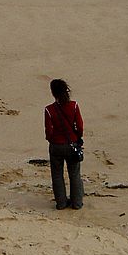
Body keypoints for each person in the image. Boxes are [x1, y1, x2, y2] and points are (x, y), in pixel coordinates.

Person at [44, 79, 84, 210]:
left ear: (53, 93)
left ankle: (61, 203)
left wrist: (51, 140)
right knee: (74, 174)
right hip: (72, 144)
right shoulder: (74, 106)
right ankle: (77, 203)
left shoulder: (49, 110)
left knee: (57, 174)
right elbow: (80, 126)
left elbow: (49, 131)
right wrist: (77, 137)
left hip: (56, 145)